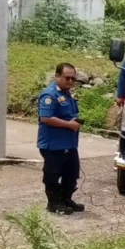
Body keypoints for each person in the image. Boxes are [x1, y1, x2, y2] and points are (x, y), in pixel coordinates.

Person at [37, 63, 83, 214]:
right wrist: (69, 125)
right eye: (67, 78)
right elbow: (46, 118)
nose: (70, 81)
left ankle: (66, 199)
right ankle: (54, 203)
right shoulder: (50, 95)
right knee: (53, 174)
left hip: (68, 143)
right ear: (57, 76)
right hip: (53, 144)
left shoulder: (67, 93)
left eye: (73, 78)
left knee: (72, 172)